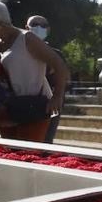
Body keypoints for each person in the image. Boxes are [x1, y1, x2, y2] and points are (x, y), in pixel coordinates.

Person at [0, 0, 68, 143]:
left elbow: (59, 65)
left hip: (32, 108)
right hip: (5, 112)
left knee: (28, 157)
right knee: (10, 156)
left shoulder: (27, 39)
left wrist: (57, 96)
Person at [26, 15, 69, 144]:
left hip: (48, 105)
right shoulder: (17, 53)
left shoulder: (56, 55)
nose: (38, 27)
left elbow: (63, 79)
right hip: (22, 103)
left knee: (45, 142)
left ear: (48, 30)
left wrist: (57, 98)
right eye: (34, 24)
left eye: (43, 25)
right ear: (26, 28)